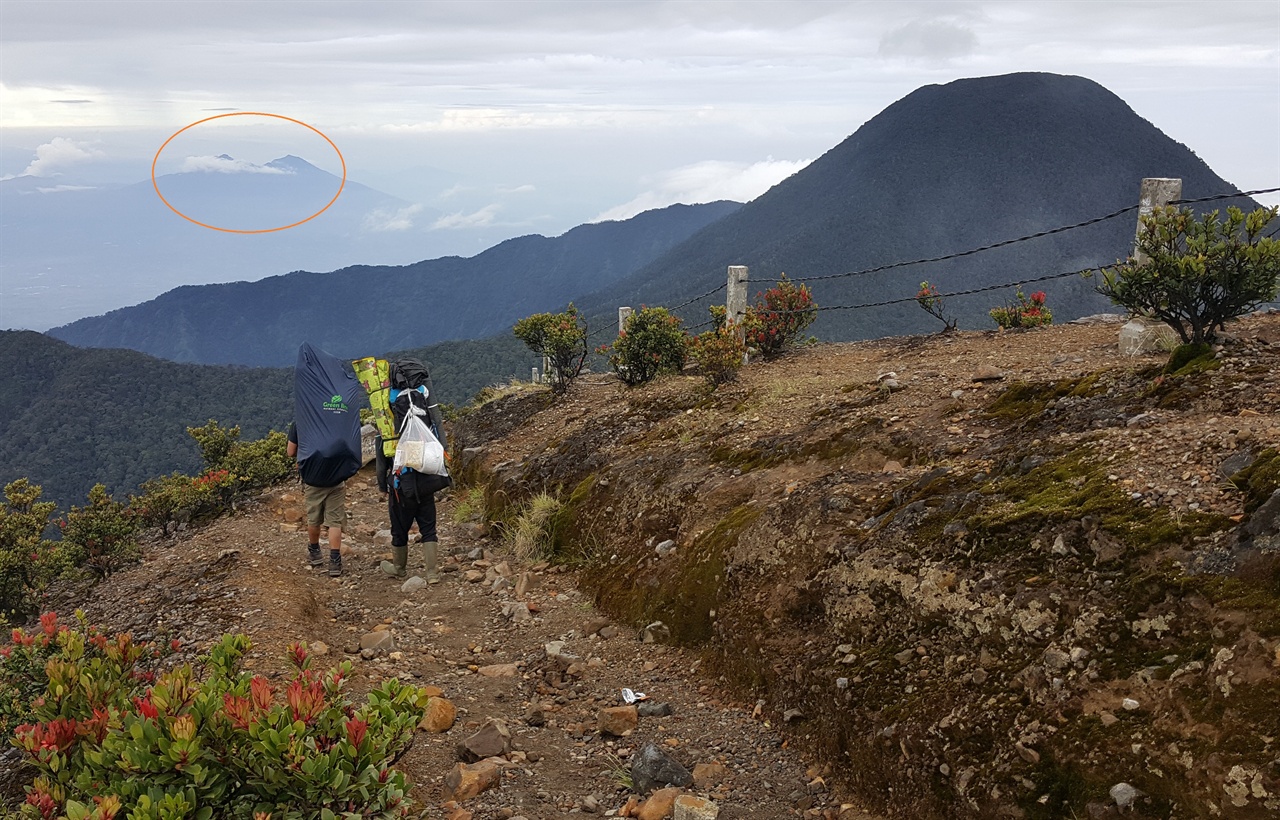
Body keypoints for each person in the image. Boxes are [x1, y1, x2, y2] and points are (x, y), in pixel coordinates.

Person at [380, 361, 450, 582]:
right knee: (428, 526)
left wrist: (383, 484)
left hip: (403, 480)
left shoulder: (389, 398)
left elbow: (382, 450)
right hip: (426, 472)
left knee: (399, 528)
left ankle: (399, 568)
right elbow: (436, 426)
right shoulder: (423, 391)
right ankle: (431, 573)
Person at [288, 423, 347, 577]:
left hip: (313, 479)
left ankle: (315, 552)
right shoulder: (336, 417)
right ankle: (335, 561)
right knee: (334, 520)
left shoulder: (300, 422)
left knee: (314, 518)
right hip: (336, 478)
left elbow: (290, 451)